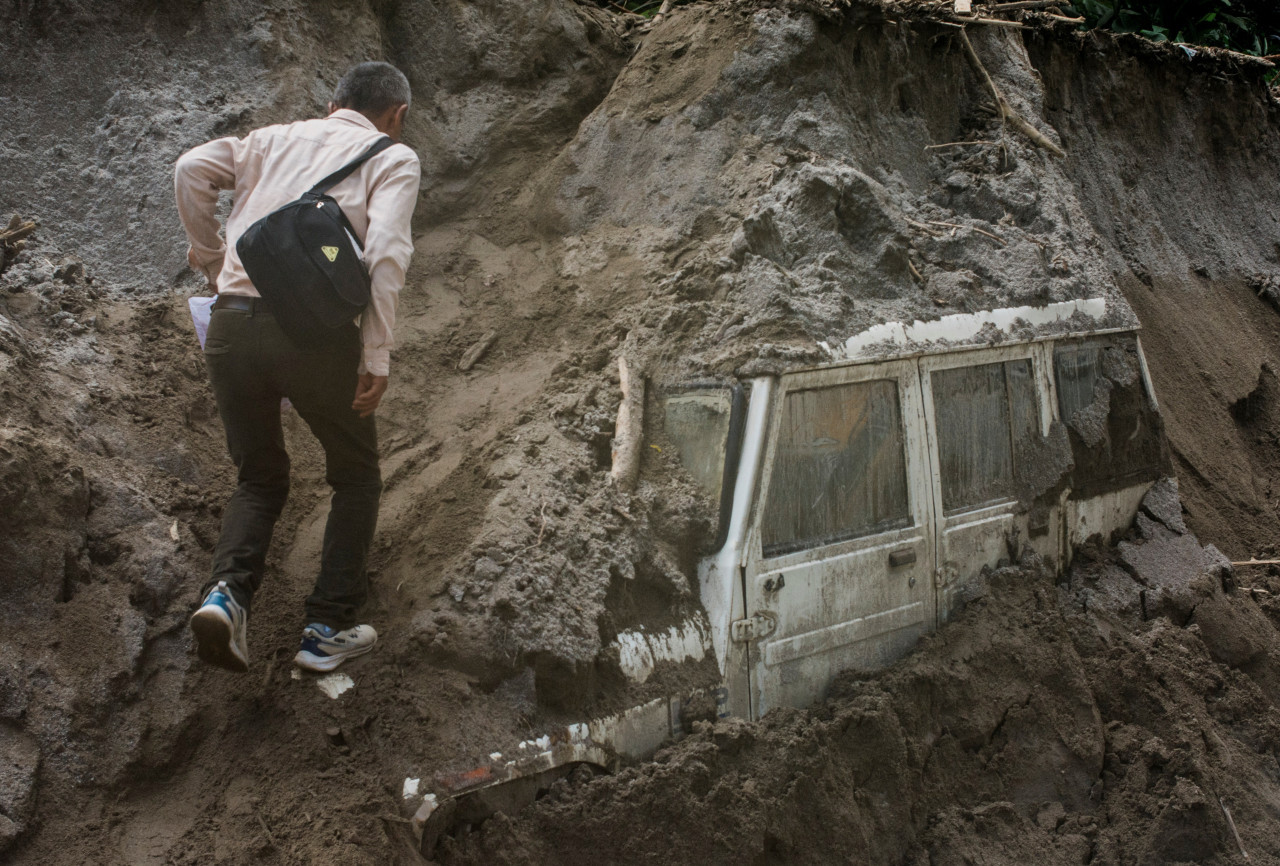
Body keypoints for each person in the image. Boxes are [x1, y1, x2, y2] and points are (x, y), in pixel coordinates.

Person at [174, 61, 421, 673]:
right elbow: (387, 253)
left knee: (258, 476)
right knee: (356, 475)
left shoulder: (268, 140)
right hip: (312, 337)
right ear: (397, 114)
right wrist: (375, 352)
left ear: (334, 101)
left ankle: (226, 596)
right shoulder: (392, 156)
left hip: (229, 326)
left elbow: (189, 170)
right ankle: (325, 629)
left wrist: (210, 257)